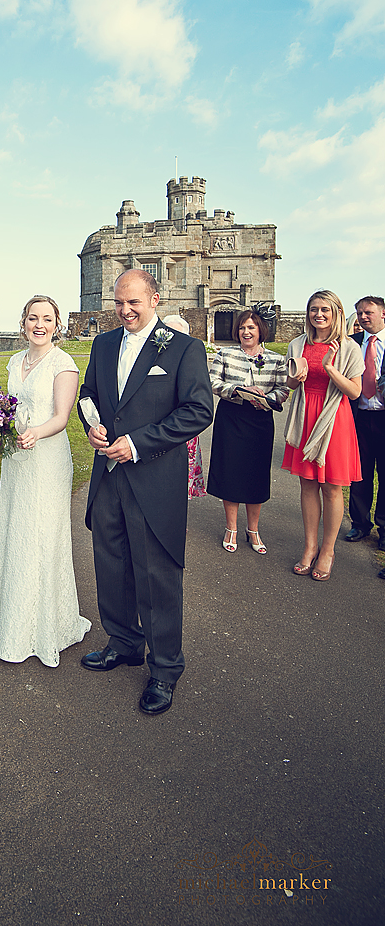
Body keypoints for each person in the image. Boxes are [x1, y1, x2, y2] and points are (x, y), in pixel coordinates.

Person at [77, 270, 213, 716]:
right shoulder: (102, 345)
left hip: (154, 480)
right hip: (108, 477)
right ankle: (124, 643)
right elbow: (88, 395)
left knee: (157, 576)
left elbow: (198, 411)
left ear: (155, 298)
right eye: (119, 302)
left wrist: (137, 443)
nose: (125, 310)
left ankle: (165, 669)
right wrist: (92, 424)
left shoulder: (183, 349)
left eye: (134, 302)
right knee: (111, 565)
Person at [0, 295, 91, 666]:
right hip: (16, 459)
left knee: (41, 534)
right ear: (23, 322)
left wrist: (35, 434)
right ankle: (4, 611)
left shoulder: (64, 364)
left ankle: (42, 623)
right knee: (14, 527)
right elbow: (11, 407)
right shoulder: (15, 360)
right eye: (33, 318)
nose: (39, 324)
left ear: (57, 324)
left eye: (47, 318)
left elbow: (62, 418)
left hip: (46, 458)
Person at [283, 290, 363, 582]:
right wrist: (295, 378)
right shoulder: (297, 344)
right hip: (306, 415)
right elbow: (290, 384)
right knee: (307, 485)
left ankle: (327, 551)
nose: (319, 314)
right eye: (314, 309)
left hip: (334, 418)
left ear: (336, 314)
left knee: (331, 487)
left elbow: (355, 392)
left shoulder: (348, 348)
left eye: (325, 310)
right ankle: (309, 547)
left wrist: (330, 367)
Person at [206, 310, 289, 554]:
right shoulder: (225, 354)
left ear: (260, 330)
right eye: (242, 328)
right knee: (230, 471)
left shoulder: (275, 359)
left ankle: (253, 529)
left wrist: (266, 399)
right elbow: (212, 382)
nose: (246, 332)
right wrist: (239, 390)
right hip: (231, 418)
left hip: (260, 420)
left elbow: (283, 389)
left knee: (256, 473)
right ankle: (231, 527)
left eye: (251, 327)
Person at [345, 296, 385, 549]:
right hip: (358, 417)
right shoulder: (352, 344)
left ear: (383, 314)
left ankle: (384, 529)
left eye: (368, 312)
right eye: (359, 313)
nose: (363, 317)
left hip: (383, 416)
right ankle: (359, 524)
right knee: (358, 474)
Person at [162, 315, 207, 500]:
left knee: (182, 479)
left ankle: (177, 524)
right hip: (158, 426)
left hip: (183, 429)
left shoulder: (191, 358)